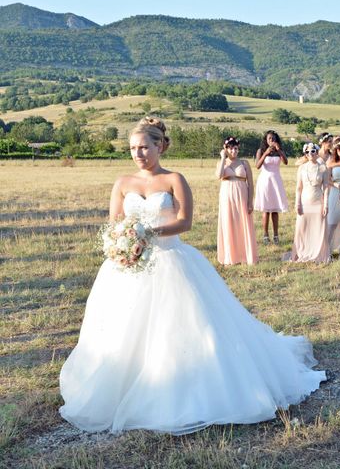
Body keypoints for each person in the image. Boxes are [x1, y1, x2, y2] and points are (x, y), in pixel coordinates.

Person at [59, 117, 325, 435]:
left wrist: (149, 231)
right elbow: (115, 223)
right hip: (129, 264)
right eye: (133, 148)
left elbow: (185, 222)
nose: (138, 153)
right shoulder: (122, 183)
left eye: (144, 147)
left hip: (172, 258)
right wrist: (123, 243)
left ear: (160, 146)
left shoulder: (174, 179)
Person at [216, 136, 258, 265]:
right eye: (231, 148)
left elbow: (250, 183)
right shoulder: (222, 163)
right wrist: (223, 157)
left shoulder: (244, 163)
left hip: (242, 195)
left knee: (243, 223)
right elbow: (218, 176)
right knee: (228, 223)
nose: (233, 151)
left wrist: (250, 202)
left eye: (235, 148)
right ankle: (230, 256)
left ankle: (245, 256)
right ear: (226, 149)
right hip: (226, 196)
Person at [290, 143, 331, 263]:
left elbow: (326, 187)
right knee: (302, 228)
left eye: (312, 151)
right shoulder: (302, 168)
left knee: (318, 227)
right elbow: (298, 188)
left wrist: (326, 204)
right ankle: (302, 251)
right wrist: (297, 203)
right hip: (305, 201)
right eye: (307, 152)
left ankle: (318, 253)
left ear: (317, 152)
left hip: (318, 201)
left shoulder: (323, 168)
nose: (310, 154)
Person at [254, 130, 288, 244]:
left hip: (276, 180)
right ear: (266, 140)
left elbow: (286, 162)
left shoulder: (279, 150)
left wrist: (279, 150)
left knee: (275, 210)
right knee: (266, 209)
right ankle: (265, 235)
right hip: (265, 181)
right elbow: (257, 166)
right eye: (269, 139)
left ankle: (276, 235)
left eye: (273, 139)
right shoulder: (261, 150)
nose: (272, 140)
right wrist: (265, 153)